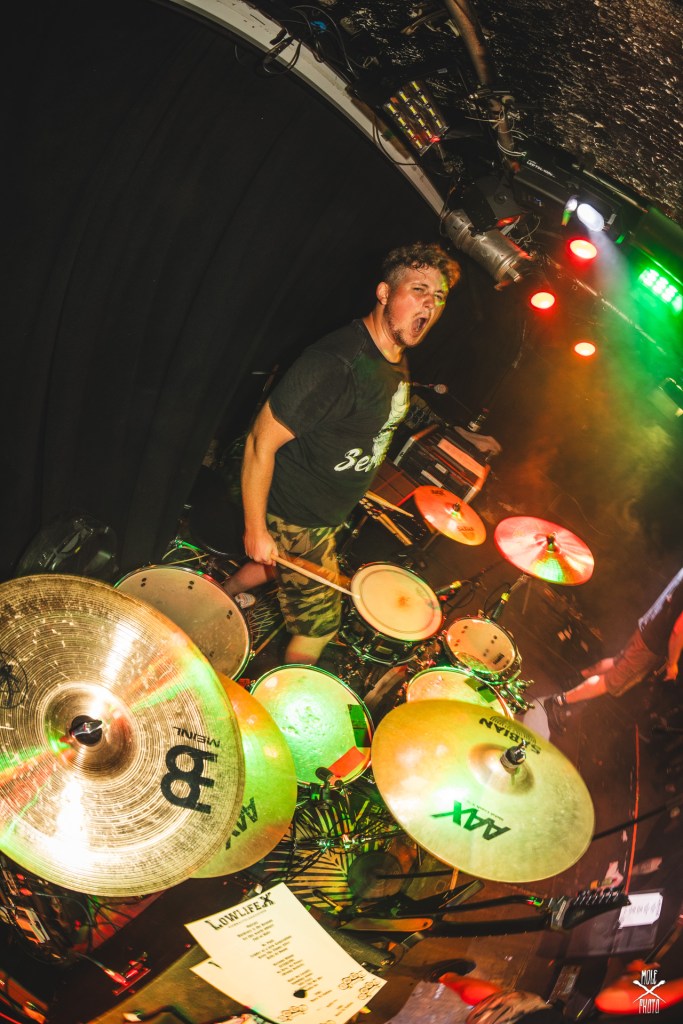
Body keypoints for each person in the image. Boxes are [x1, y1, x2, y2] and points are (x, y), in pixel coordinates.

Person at [224, 242, 460, 665]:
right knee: (319, 630)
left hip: (322, 512)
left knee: (278, 565)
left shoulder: (394, 352)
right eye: (419, 289)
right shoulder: (336, 363)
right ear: (384, 293)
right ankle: (280, 692)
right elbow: (261, 441)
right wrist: (256, 528)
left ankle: (221, 596)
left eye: (438, 296)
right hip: (295, 512)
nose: (430, 303)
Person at [545, 567, 683, 733]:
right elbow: (678, 631)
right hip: (652, 642)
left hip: (649, 627)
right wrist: (672, 663)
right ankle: (558, 701)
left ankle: (574, 680)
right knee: (610, 682)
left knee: (618, 660)